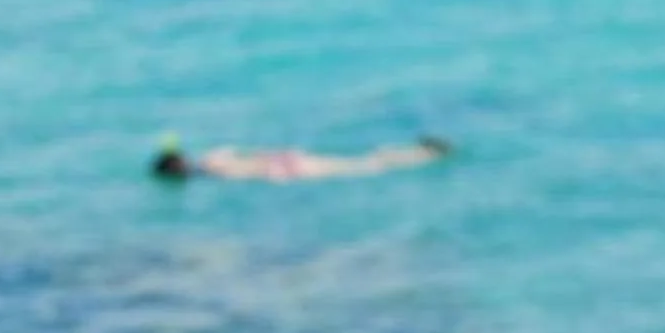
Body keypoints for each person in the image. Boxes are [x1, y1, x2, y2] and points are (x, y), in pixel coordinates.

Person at [151, 134, 453, 183]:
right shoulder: (212, 162)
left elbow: (251, 170)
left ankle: (425, 154)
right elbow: (237, 152)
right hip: (291, 163)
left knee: (365, 165)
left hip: (291, 168)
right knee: (365, 163)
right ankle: (425, 154)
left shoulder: (210, 171)